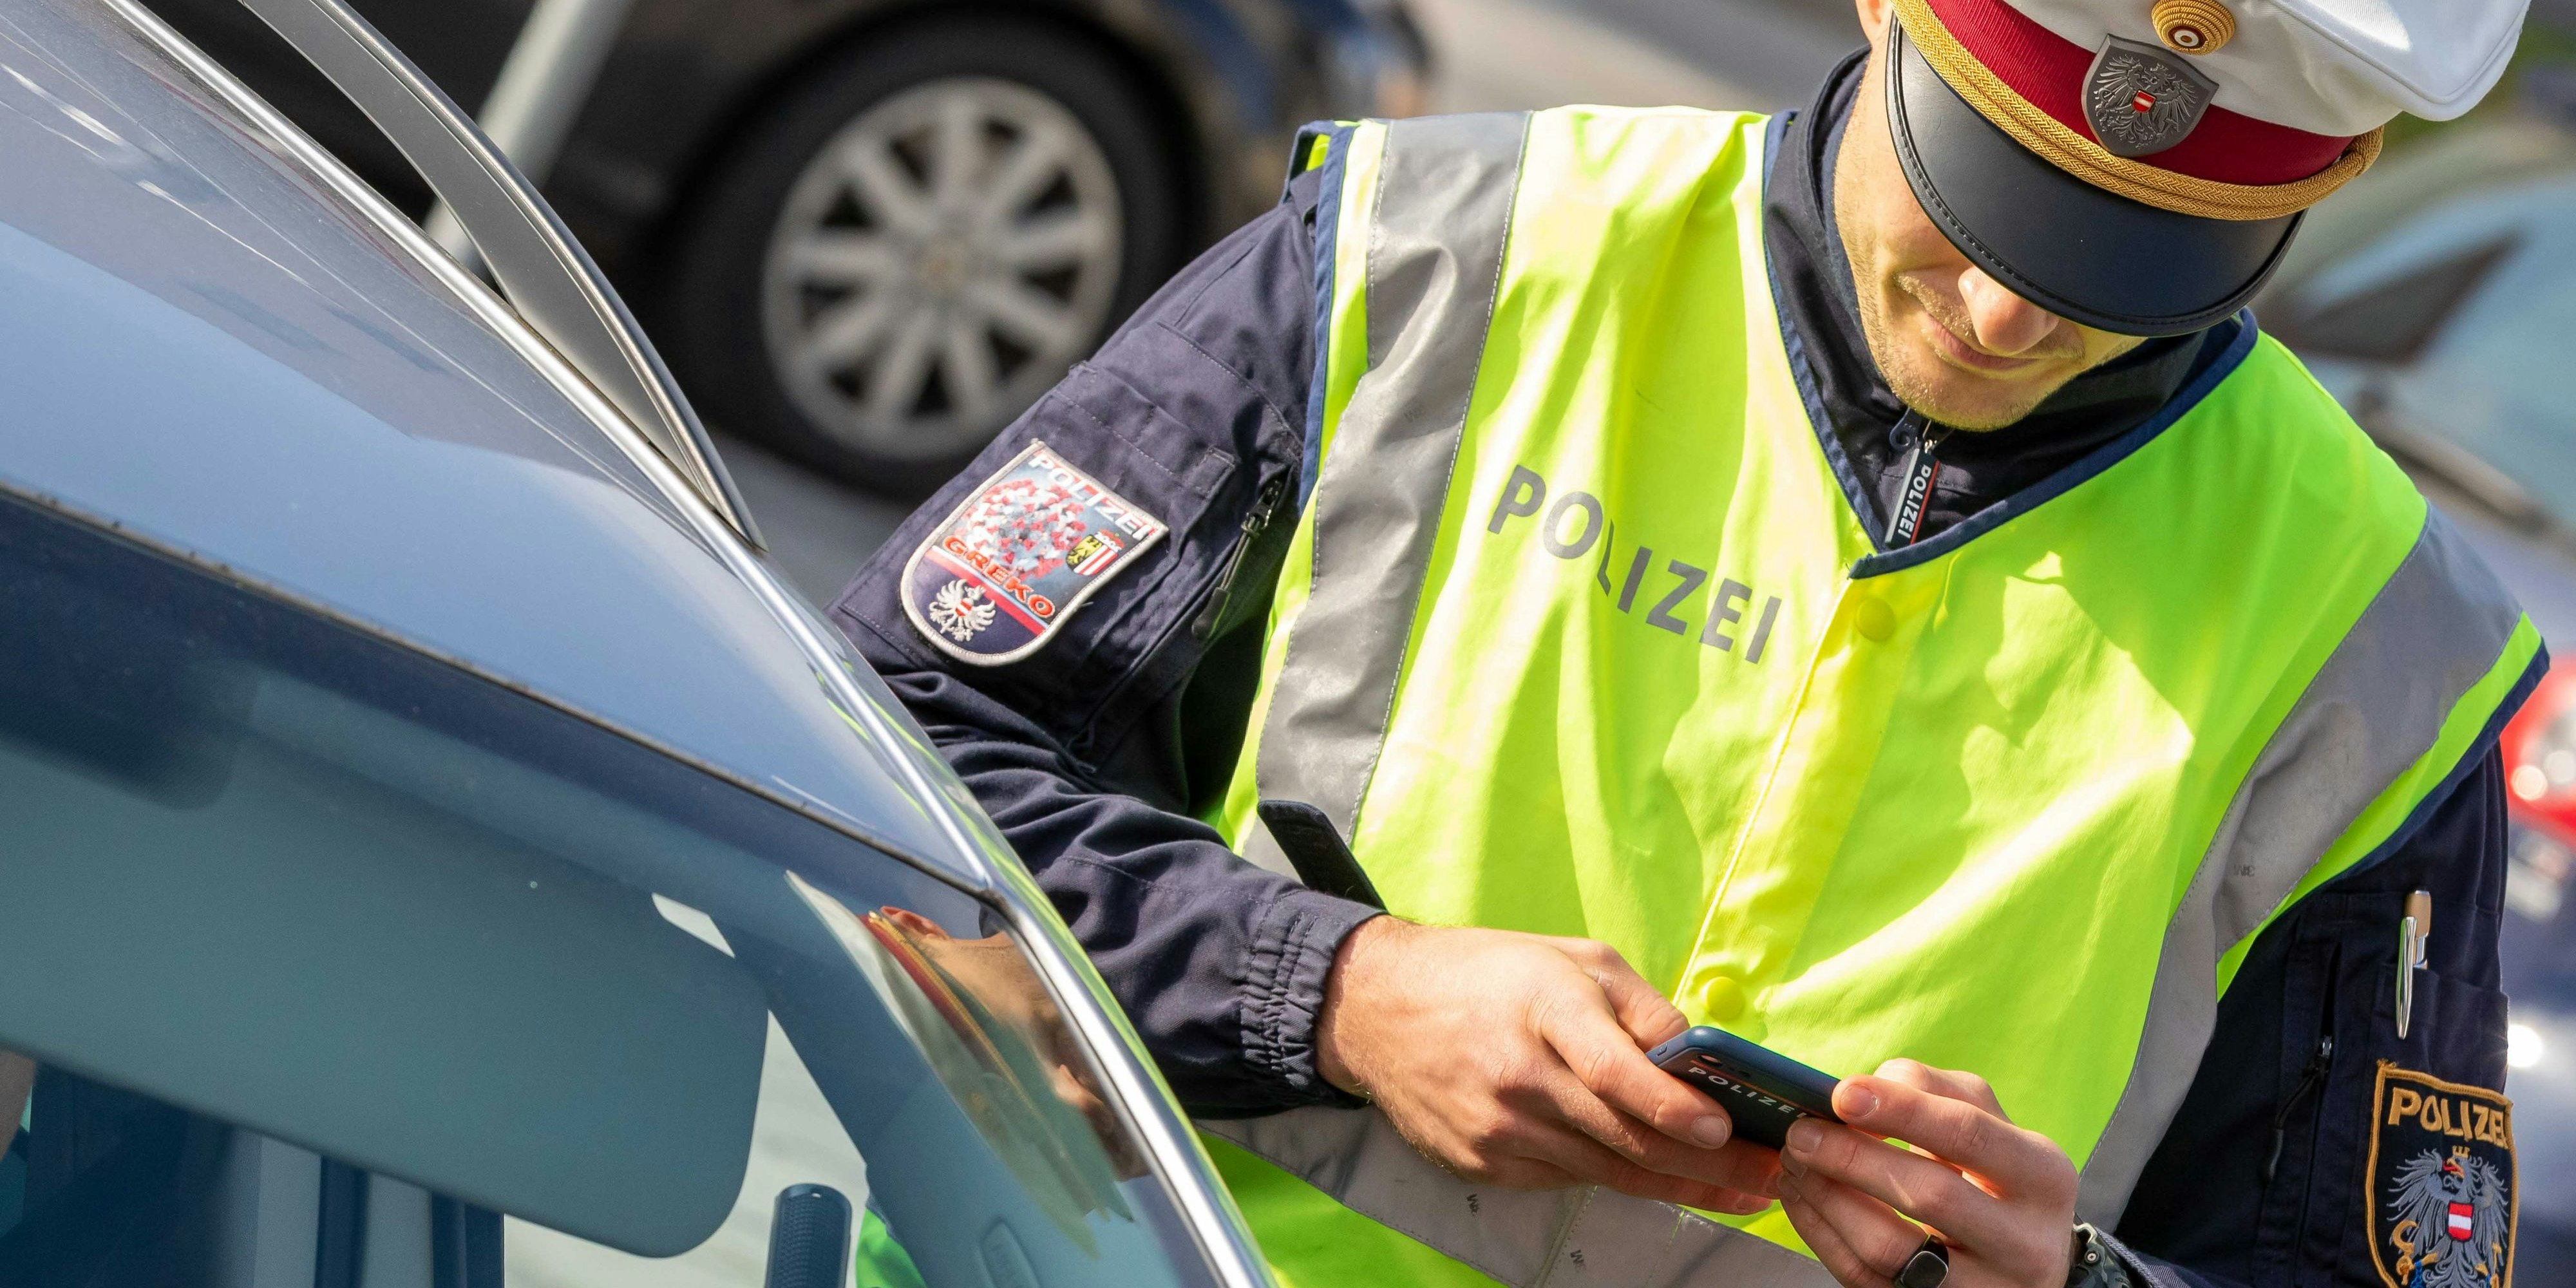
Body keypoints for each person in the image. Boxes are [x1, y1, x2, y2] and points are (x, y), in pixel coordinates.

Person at [830, 0, 2538, 1283]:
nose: (2013, 312)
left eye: (2136, 266)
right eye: (1990, 193)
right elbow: (870, 755)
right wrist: (1338, 995)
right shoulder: (1438, 260)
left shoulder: (2383, 645)